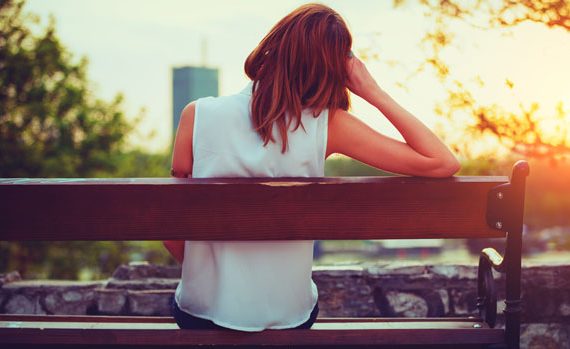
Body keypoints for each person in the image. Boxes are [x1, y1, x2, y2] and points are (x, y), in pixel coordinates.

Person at [164, 3, 460, 332]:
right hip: (290, 316)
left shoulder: (197, 115)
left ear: (271, 46)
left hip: (202, 312)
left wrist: (218, 281)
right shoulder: (328, 125)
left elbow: (171, 229)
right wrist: (372, 91)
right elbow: (442, 162)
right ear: (335, 69)